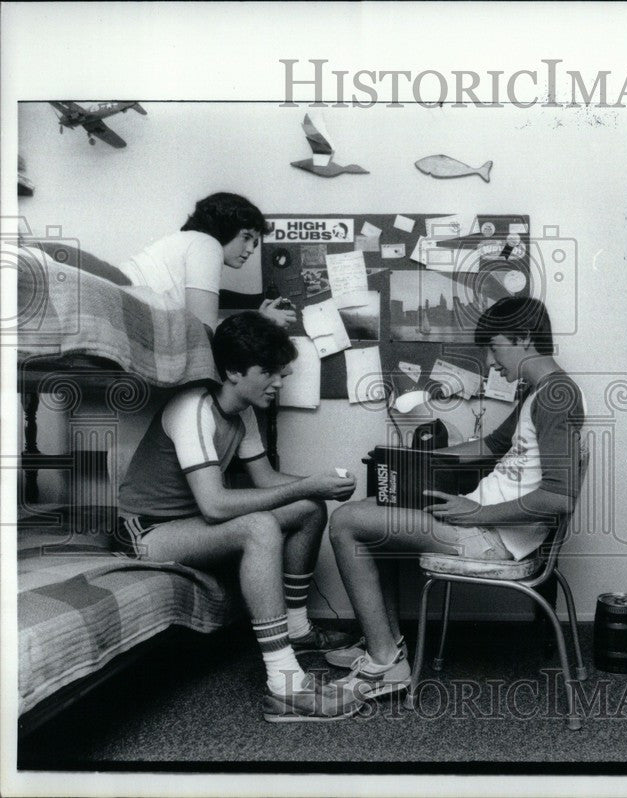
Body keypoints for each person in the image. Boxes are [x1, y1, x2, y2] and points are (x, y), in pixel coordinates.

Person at [324, 297, 586, 704]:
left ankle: (385, 663)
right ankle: (385, 645)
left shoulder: (558, 396)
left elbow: (558, 497)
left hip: (492, 538)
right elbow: (489, 445)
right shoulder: (540, 392)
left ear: (524, 338)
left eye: (495, 347)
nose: (491, 361)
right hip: (483, 525)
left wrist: (478, 512)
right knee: (375, 521)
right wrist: (418, 459)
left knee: (345, 522)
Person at [114, 311, 359, 722]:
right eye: (269, 372)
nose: (279, 383)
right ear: (231, 371)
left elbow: (266, 479)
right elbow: (214, 506)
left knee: (308, 508)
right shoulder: (192, 409)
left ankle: (298, 631)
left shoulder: (243, 411)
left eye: (281, 373)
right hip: (146, 532)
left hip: (187, 522)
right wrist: (306, 484)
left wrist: (320, 484)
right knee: (260, 526)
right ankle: (284, 687)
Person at [120, 192, 295, 329]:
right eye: (246, 237)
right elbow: (202, 333)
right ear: (224, 227)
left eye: (255, 243)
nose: (250, 249)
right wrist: (263, 322)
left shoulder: (188, 241)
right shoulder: (207, 245)